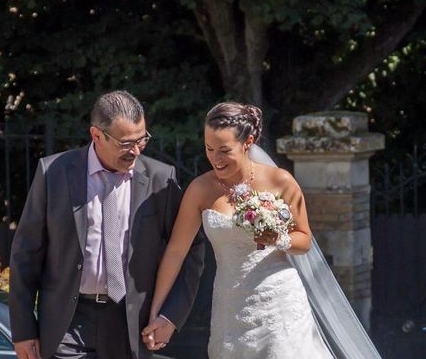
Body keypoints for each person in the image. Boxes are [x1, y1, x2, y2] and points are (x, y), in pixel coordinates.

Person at [9, 90, 205, 359]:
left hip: (130, 322)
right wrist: (23, 330)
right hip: (68, 322)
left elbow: (191, 248)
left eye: (142, 140)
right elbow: (26, 254)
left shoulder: (161, 179)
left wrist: (170, 316)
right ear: (96, 135)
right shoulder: (53, 172)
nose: (135, 151)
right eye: (125, 143)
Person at [141, 102, 333, 358]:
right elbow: (176, 252)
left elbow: (305, 240)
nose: (215, 159)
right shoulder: (200, 190)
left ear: (248, 142)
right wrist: (157, 310)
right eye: (209, 148)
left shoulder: (280, 181)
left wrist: (278, 238)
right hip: (230, 305)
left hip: (279, 300)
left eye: (224, 150)